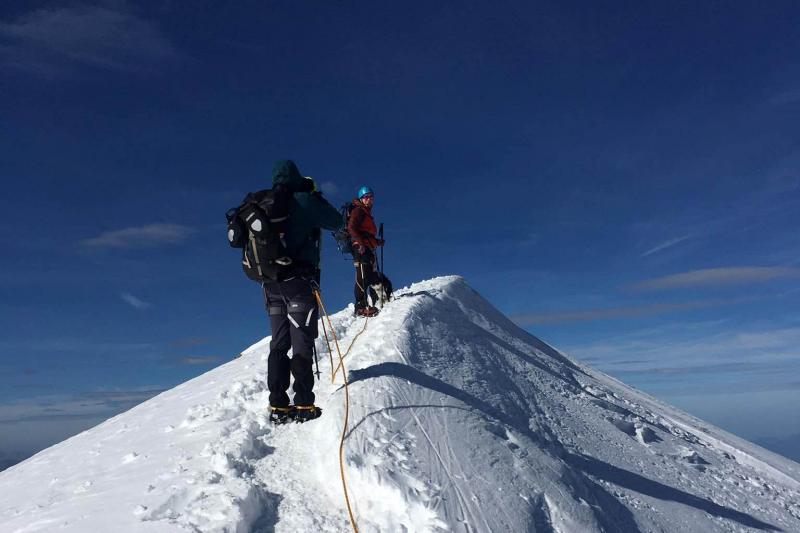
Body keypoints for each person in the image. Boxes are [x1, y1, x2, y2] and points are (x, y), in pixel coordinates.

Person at [262, 160, 343, 424]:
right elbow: (336, 220)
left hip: (270, 284)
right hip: (299, 284)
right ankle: (304, 403)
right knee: (301, 344)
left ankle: (278, 404)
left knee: (278, 343)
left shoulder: (262, 203)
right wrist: (312, 196)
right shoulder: (303, 201)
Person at [347, 185, 384, 317]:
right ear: (361, 199)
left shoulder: (367, 214)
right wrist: (360, 243)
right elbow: (351, 227)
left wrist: (378, 242)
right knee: (362, 276)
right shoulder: (359, 211)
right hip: (360, 248)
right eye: (366, 197)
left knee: (368, 275)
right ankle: (360, 307)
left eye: (371, 197)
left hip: (367, 248)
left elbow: (368, 235)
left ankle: (374, 302)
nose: (369, 199)